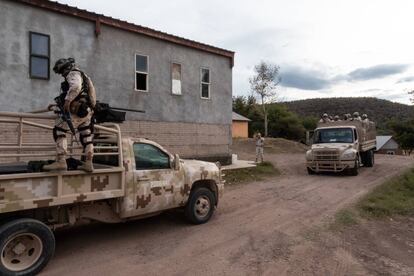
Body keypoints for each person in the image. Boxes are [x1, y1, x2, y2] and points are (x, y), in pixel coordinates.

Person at [43, 58, 96, 172]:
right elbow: (92, 95)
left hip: (76, 111)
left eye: (62, 72)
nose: (62, 75)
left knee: (59, 130)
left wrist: (67, 101)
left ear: (66, 68)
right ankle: (88, 163)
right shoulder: (85, 76)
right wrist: (91, 108)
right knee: (86, 136)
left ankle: (61, 162)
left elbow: (75, 87)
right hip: (86, 111)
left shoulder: (73, 73)